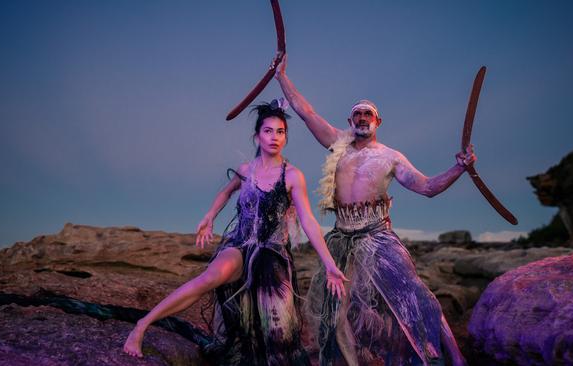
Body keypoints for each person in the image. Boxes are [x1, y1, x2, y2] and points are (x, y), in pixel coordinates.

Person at [276, 55, 472, 365]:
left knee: (413, 298)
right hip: (340, 238)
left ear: (377, 122)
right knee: (334, 311)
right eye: (357, 114)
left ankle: (443, 357)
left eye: (369, 114)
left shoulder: (390, 157)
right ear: (350, 121)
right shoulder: (337, 143)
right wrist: (281, 76)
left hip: (378, 236)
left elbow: (427, 187)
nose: (363, 117)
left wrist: (458, 169)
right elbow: (305, 111)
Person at [123, 99, 347, 365]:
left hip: (272, 255)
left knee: (277, 337)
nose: (274, 137)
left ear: (285, 137)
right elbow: (226, 192)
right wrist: (209, 217)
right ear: (257, 137)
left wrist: (329, 264)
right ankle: (142, 324)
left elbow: (308, 220)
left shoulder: (292, 176)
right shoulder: (246, 171)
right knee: (210, 277)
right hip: (240, 245)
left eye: (280, 132)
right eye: (268, 131)